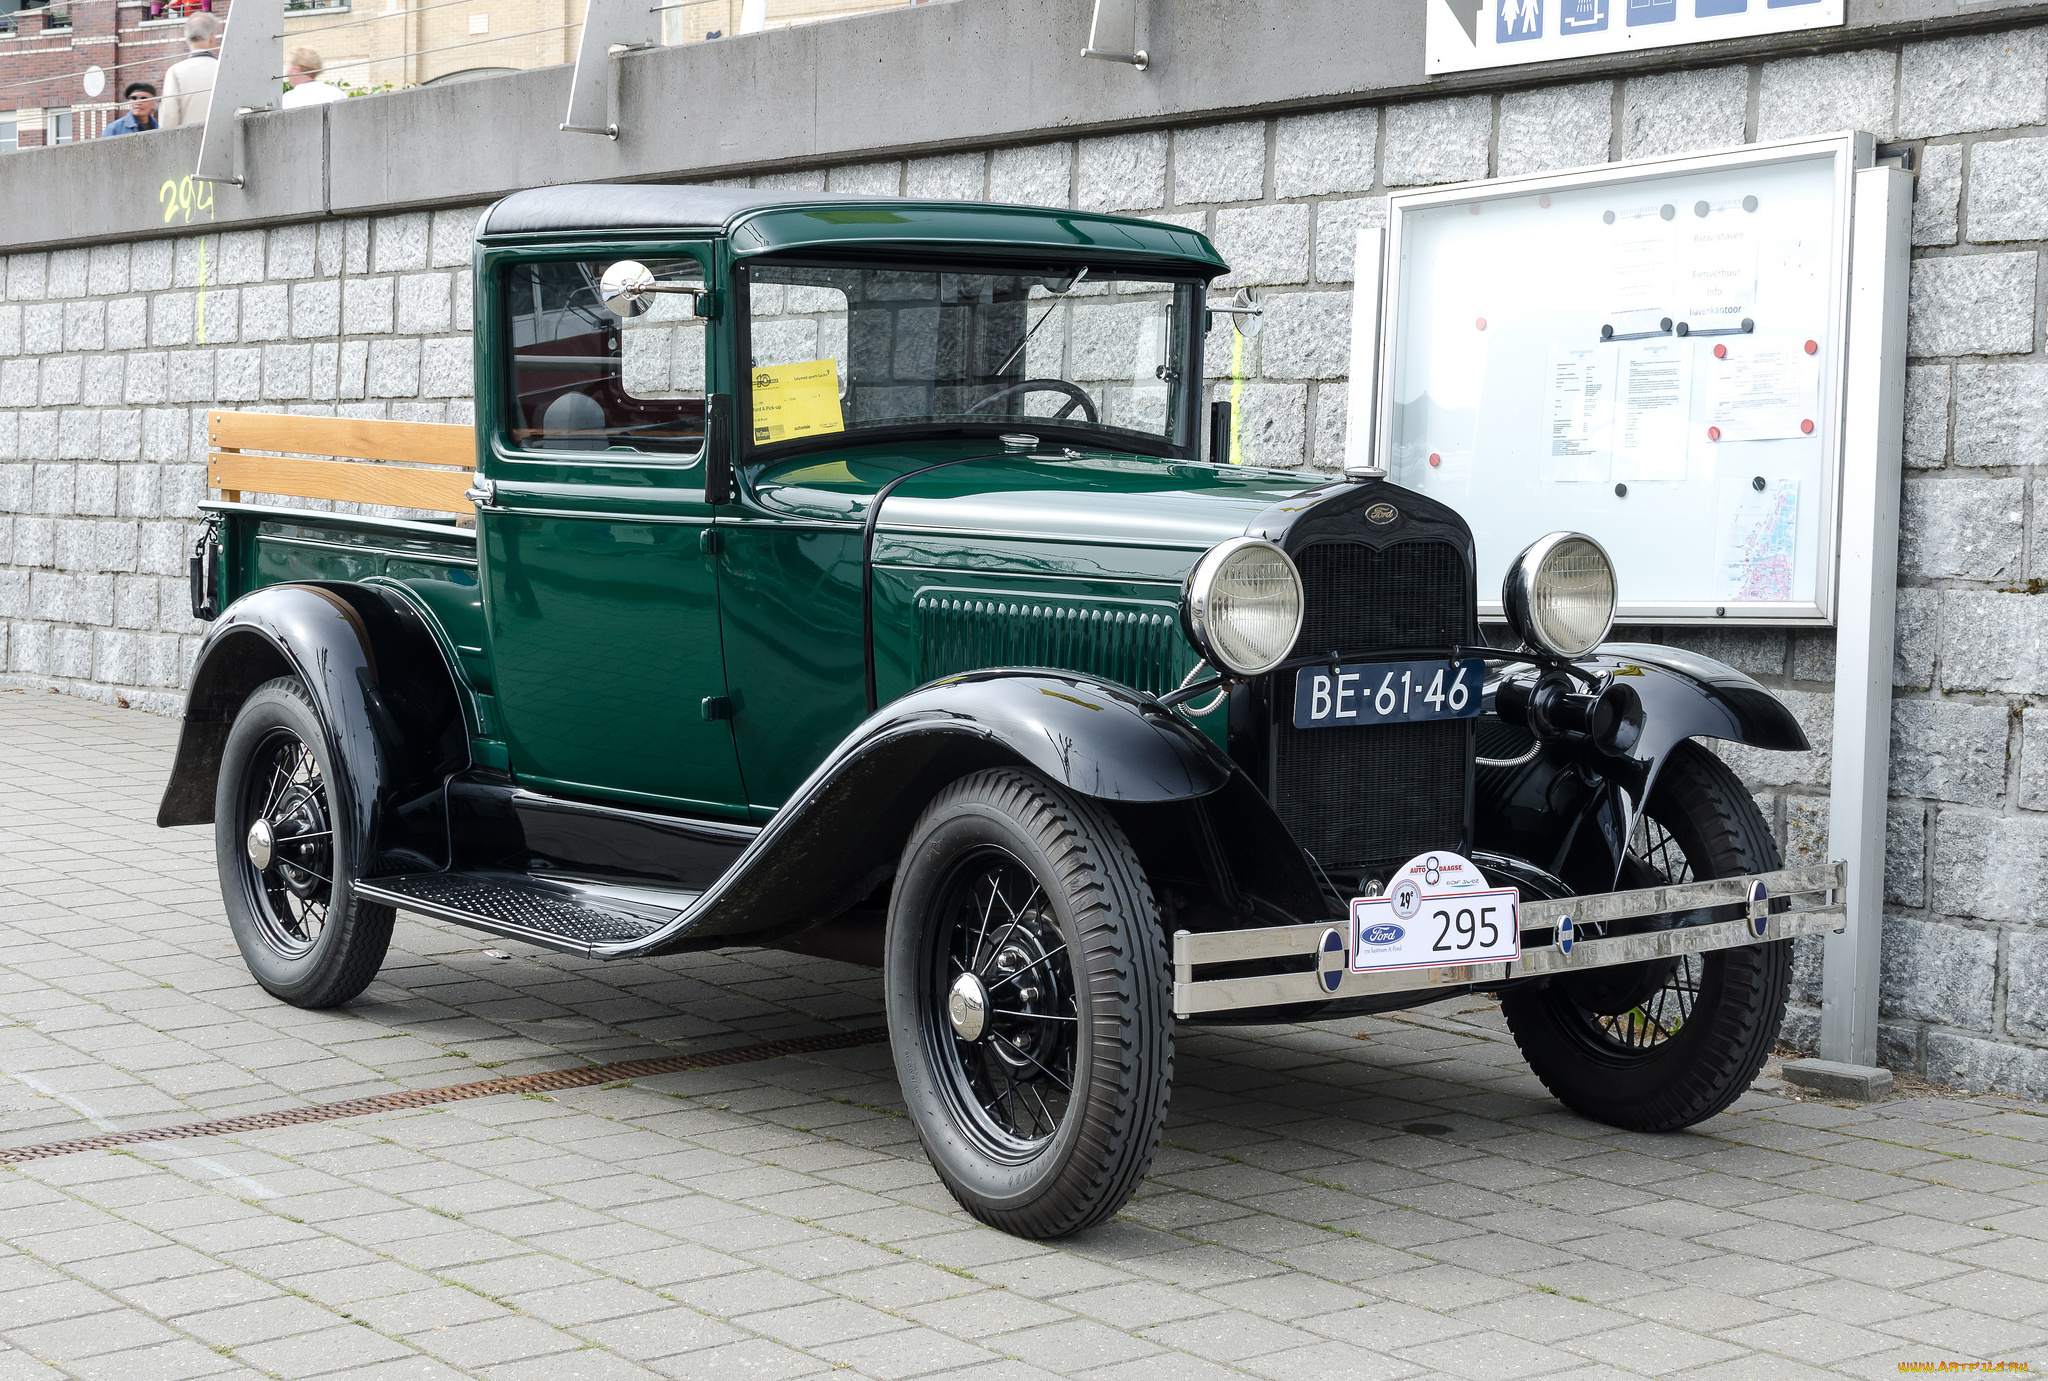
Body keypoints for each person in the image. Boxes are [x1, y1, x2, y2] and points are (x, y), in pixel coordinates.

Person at [157, 13, 222, 129]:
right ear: (212, 38)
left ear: (186, 38)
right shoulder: (223, 70)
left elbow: (169, 118)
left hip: (188, 142)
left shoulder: (175, 71)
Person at [281, 47, 346, 108]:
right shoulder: (337, 93)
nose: (287, 72)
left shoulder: (289, 98)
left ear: (297, 69)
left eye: (288, 67)